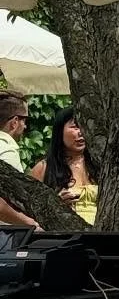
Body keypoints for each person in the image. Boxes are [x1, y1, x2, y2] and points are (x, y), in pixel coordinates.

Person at [30, 109, 98, 223]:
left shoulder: (100, 165)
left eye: (84, 126)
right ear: (60, 131)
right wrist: (55, 205)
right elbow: (30, 209)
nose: (81, 132)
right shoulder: (44, 168)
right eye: (75, 127)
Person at [0, 92, 38, 232]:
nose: (25, 127)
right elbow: (1, 205)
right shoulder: (7, 151)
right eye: (25, 120)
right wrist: (31, 223)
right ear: (15, 122)